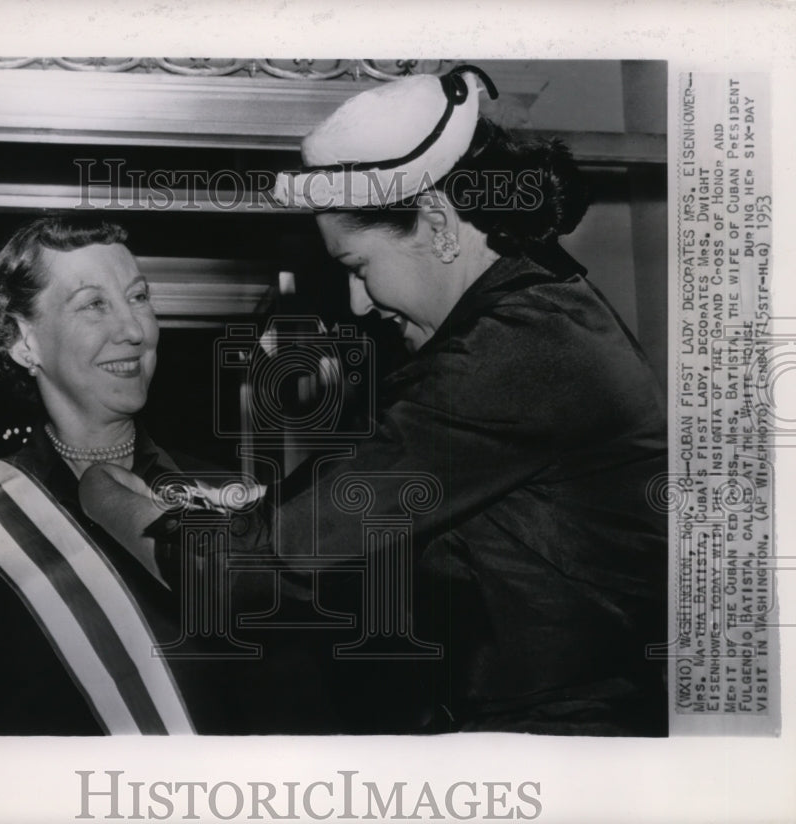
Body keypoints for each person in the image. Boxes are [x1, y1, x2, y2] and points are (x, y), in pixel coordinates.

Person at [81, 65, 669, 736]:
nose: (360, 304)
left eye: (357, 268)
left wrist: (103, 495)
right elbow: (344, 497)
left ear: (439, 221)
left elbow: (251, 573)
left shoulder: (513, 352)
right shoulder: (542, 312)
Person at [0, 215, 271, 735]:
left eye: (139, 297)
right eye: (93, 304)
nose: (133, 329)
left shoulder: (229, 494)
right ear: (23, 342)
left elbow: (295, 708)